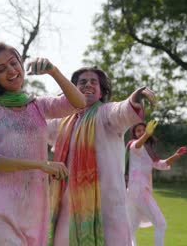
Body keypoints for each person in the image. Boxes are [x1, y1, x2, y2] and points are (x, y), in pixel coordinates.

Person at [0, 42, 86, 245]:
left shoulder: (37, 105)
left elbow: (79, 103)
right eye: (1, 69)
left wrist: (53, 71)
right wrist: (40, 164)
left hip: (34, 209)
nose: (11, 71)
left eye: (14, 63)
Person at [51, 66, 156, 246]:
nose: (88, 85)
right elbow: (35, 126)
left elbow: (122, 111)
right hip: (69, 207)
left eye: (94, 82)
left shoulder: (105, 114)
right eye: (82, 82)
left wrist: (134, 99)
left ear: (101, 92)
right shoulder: (62, 122)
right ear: (72, 89)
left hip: (107, 206)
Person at [126, 120, 187, 246]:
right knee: (160, 224)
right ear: (134, 134)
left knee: (130, 228)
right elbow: (137, 145)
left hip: (133, 191)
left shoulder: (149, 151)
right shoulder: (133, 145)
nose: (142, 132)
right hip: (139, 190)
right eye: (138, 131)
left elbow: (161, 164)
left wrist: (175, 155)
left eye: (144, 130)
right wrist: (147, 135)